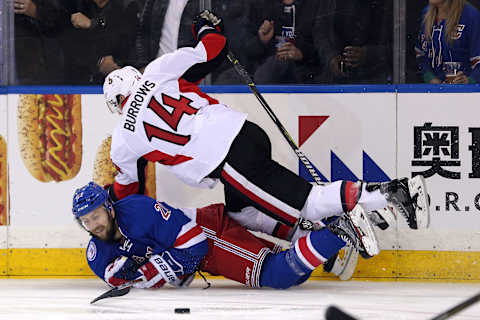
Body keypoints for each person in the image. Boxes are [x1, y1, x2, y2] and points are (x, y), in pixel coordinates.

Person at [102, 10, 430, 257]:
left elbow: (127, 191)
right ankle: (320, 235)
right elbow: (214, 47)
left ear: (116, 105)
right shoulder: (158, 71)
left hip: (229, 161)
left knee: (310, 202)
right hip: (245, 132)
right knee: (240, 212)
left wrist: (106, 207)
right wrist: (205, 26)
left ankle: (390, 194)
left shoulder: (122, 139)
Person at [72, 181, 376, 289]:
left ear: (109, 209)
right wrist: (130, 275)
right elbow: (114, 278)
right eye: (86, 221)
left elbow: (194, 243)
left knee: (278, 275)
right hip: (203, 249)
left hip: (208, 234)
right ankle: (328, 233)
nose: (93, 224)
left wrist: (158, 269)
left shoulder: (137, 211)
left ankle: (340, 230)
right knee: (295, 277)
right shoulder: (96, 251)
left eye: (96, 215)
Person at [242, 0, 322, 84]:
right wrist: (261, 40)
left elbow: (329, 49)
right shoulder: (257, 5)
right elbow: (242, 52)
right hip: (264, 86)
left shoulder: (318, 4)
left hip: (310, 83)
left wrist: (302, 54)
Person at [313, 0, 393, 84]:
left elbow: (401, 47)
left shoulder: (386, 4)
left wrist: (368, 54)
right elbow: (320, 31)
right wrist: (330, 57)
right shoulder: (329, 3)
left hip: (375, 82)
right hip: (335, 81)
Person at [415, 0, 480, 84]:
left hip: (463, 94)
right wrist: (429, 77)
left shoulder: (470, 16)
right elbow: (420, 56)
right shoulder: (426, 14)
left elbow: (478, 60)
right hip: (432, 92)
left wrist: (469, 81)